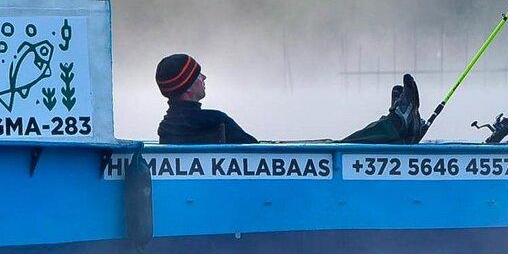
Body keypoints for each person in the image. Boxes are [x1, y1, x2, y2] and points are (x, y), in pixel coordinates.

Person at [153, 53, 424, 144]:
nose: (204, 78)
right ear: (187, 86)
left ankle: (396, 126)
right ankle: (397, 124)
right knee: (336, 148)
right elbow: (253, 153)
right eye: (198, 75)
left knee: (330, 145)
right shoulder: (214, 121)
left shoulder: (167, 128)